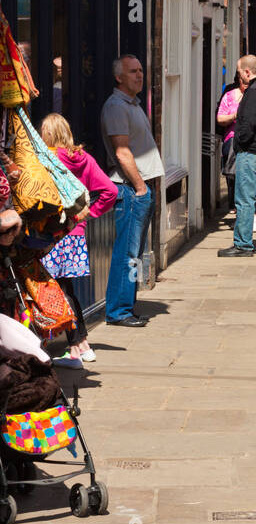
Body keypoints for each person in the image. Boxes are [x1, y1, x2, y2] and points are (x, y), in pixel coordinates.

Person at [40, 114, 118, 365]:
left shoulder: (45, 160)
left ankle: (75, 346)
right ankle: (80, 345)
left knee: (57, 291)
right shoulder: (82, 158)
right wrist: (88, 213)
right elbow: (111, 191)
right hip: (75, 234)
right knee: (66, 289)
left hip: (52, 234)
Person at [100, 55, 164, 327]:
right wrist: (140, 188)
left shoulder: (133, 104)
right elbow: (121, 151)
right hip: (129, 190)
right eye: (133, 72)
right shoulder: (116, 106)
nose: (140, 75)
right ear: (119, 77)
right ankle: (118, 311)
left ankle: (128, 305)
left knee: (135, 254)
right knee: (127, 253)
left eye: (140, 71)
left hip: (140, 189)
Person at [218, 55, 256, 258]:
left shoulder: (253, 92)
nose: (238, 77)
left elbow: (248, 124)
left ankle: (243, 244)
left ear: (247, 72)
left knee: (245, 200)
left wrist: (240, 144)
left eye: (238, 72)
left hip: (252, 153)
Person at [216, 63, 245, 210]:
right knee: (232, 174)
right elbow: (220, 118)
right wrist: (234, 115)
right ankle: (234, 204)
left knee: (244, 177)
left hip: (248, 140)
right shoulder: (229, 93)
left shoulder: (255, 93)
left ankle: (242, 209)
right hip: (231, 139)